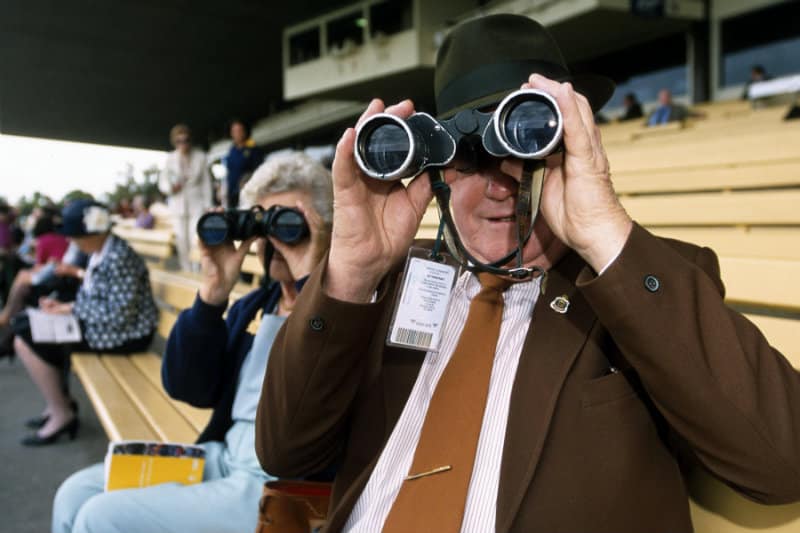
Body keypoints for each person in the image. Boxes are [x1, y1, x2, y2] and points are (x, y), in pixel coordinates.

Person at [256, 14, 800, 533]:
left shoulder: (637, 281)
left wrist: (604, 230)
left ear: (569, 146)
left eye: (525, 144)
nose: (499, 185)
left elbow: (780, 461)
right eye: (469, 157)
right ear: (437, 167)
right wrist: (351, 274)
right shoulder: (394, 280)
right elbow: (286, 451)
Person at [52, 152, 333, 533]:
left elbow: (333, 372)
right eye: (260, 223)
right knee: (74, 493)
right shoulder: (256, 306)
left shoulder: (343, 313)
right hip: (224, 457)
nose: (272, 239)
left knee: (100, 518)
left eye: (287, 223)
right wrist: (211, 297)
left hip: (279, 484)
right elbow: (188, 387)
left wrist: (309, 283)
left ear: (325, 229)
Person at [14, 200, 158, 446]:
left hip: (126, 335)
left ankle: (62, 412)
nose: (72, 241)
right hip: (110, 327)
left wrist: (70, 311)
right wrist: (64, 308)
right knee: (25, 326)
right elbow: (97, 297)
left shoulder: (119, 256)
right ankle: (58, 404)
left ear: (93, 232)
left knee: (27, 337)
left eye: (76, 236)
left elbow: (119, 314)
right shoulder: (103, 250)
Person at [160, 124, 212, 271]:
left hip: (197, 204)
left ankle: (197, 270)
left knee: (196, 238)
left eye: (186, 140)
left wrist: (208, 206)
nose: (183, 144)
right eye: (179, 141)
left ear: (190, 140)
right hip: (177, 205)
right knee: (181, 240)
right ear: (174, 142)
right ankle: (186, 270)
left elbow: (206, 183)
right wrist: (170, 188)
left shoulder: (201, 157)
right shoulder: (170, 158)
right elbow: (163, 182)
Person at [223, 119, 264, 208]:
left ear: (245, 132)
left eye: (239, 130)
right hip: (232, 194)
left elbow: (260, 170)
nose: (237, 133)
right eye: (234, 131)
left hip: (249, 191)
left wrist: (248, 179)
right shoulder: (231, 150)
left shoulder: (253, 148)